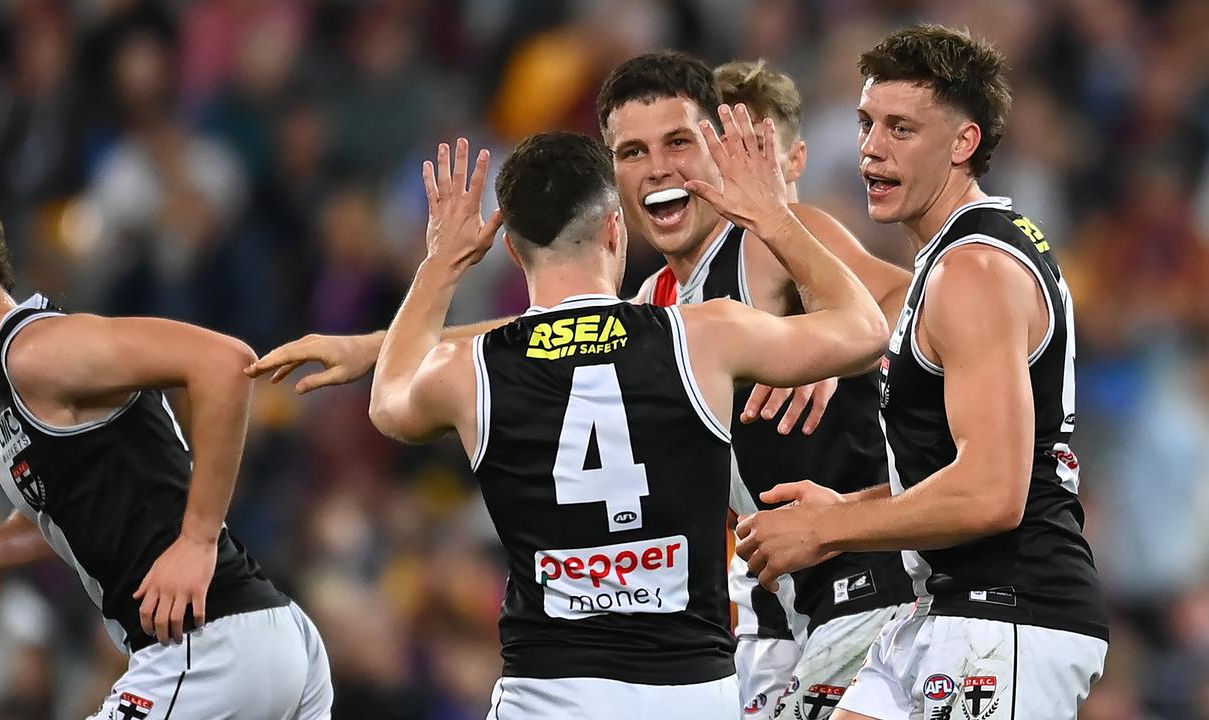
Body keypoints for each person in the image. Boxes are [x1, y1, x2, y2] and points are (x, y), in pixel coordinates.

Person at [365, 120, 886, 718]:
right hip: (693, 692)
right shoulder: (704, 335)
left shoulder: (467, 369)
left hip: (547, 694)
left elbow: (388, 399)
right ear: (615, 230)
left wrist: (443, 263)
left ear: (511, 250)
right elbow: (866, 329)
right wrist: (772, 216)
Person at [732, 25, 1109, 720]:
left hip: (1007, 614)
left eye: (901, 128)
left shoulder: (972, 270)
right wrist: (846, 506)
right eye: (868, 124)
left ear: (963, 144)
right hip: (945, 610)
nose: (872, 148)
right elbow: (959, 470)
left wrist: (831, 532)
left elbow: (993, 494)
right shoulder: (952, 258)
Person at [0, 161, 331, 719]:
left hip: (206, 649)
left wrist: (198, 540)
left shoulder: (36, 352)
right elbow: (85, 503)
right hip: (266, 640)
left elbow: (224, 363)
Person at [598, 51, 916, 719]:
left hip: (873, 589)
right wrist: (391, 344)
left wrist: (837, 349)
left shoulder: (765, 244)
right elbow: (530, 329)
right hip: (777, 616)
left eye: (678, 142)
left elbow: (917, 301)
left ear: (716, 150)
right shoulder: (654, 303)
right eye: (633, 151)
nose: (657, 167)